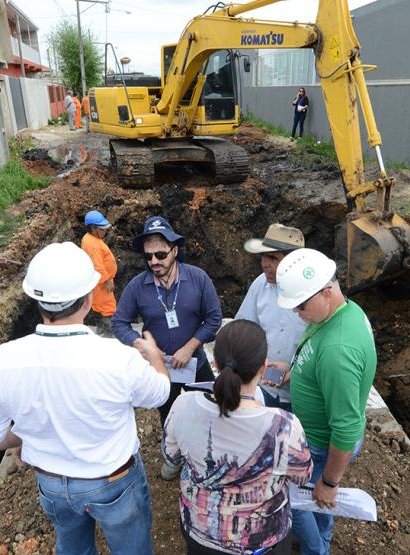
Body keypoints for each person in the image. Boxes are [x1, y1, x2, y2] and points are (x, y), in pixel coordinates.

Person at [0, 242, 170, 555]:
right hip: (112, 482)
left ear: (36, 299)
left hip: (52, 485)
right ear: (89, 298)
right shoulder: (117, 359)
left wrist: (29, 433)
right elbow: (159, 394)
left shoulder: (2, 360)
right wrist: (155, 357)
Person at [162, 319, 313, 555]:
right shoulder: (284, 426)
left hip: (200, 533)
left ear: (215, 363)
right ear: (263, 367)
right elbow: (303, 477)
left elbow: (170, 458)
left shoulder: (183, 405)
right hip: (262, 542)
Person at [274, 248, 377, 555]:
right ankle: (322, 540)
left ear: (327, 292)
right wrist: (298, 372)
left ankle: (316, 550)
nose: (296, 312)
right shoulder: (341, 312)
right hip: (315, 437)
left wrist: (330, 483)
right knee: (315, 505)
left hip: (320, 445)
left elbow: (345, 430)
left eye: (300, 305)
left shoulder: (338, 350)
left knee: (303, 501)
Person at [112, 215, 223, 431]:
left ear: (174, 250)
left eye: (160, 254)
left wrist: (189, 348)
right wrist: (144, 347)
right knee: (169, 418)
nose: (154, 262)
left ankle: (203, 457)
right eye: (148, 256)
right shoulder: (137, 286)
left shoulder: (198, 278)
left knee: (207, 414)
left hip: (195, 364)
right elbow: (119, 323)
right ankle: (172, 456)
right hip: (160, 369)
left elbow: (214, 318)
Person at [235, 223, 307, 411]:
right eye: (263, 256)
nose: (265, 263)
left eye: (273, 258)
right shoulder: (260, 284)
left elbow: (322, 349)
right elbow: (244, 327)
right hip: (264, 388)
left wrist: (294, 372)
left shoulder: (312, 294)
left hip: (303, 393)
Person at [80, 210, 118, 336]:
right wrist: (107, 281)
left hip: (101, 280)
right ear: (93, 228)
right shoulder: (91, 244)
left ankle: (102, 332)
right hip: (101, 283)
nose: (105, 231)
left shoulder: (92, 239)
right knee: (108, 308)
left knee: (101, 307)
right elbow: (97, 266)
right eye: (102, 229)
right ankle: (108, 335)